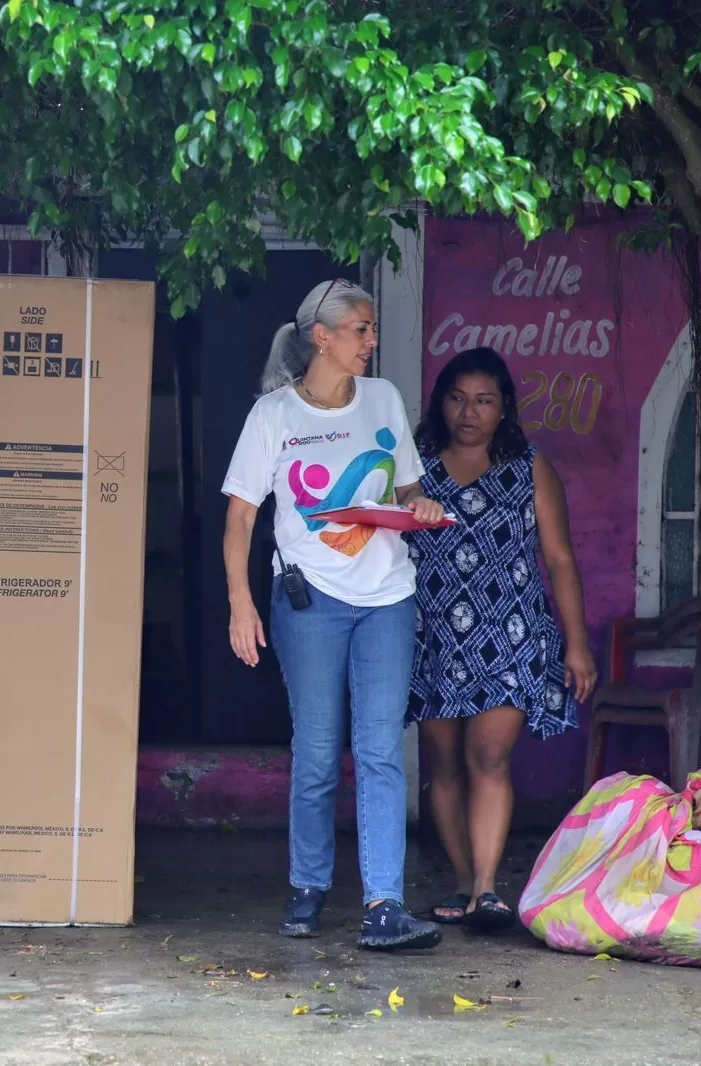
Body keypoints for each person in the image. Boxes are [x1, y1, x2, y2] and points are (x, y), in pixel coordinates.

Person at [222, 278, 447, 950]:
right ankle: (309, 887)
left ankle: (384, 904)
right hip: (308, 603)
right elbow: (240, 517)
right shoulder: (274, 417)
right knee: (318, 752)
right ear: (322, 336)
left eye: (373, 330)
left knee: (380, 751)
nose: (371, 343)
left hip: (387, 598)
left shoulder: (383, 400)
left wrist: (422, 506)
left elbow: (406, 487)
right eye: (362, 330)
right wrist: (239, 601)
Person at [405, 347, 598, 932]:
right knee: (443, 765)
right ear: (441, 402)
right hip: (430, 636)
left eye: (484, 400)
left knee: (488, 755)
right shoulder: (410, 465)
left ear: (504, 408)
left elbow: (560, 560)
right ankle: (465, 883)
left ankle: (489, 889)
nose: (469, 412)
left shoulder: (529, 466)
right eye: (458, 398)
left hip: (509, 632)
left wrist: (577, 643)